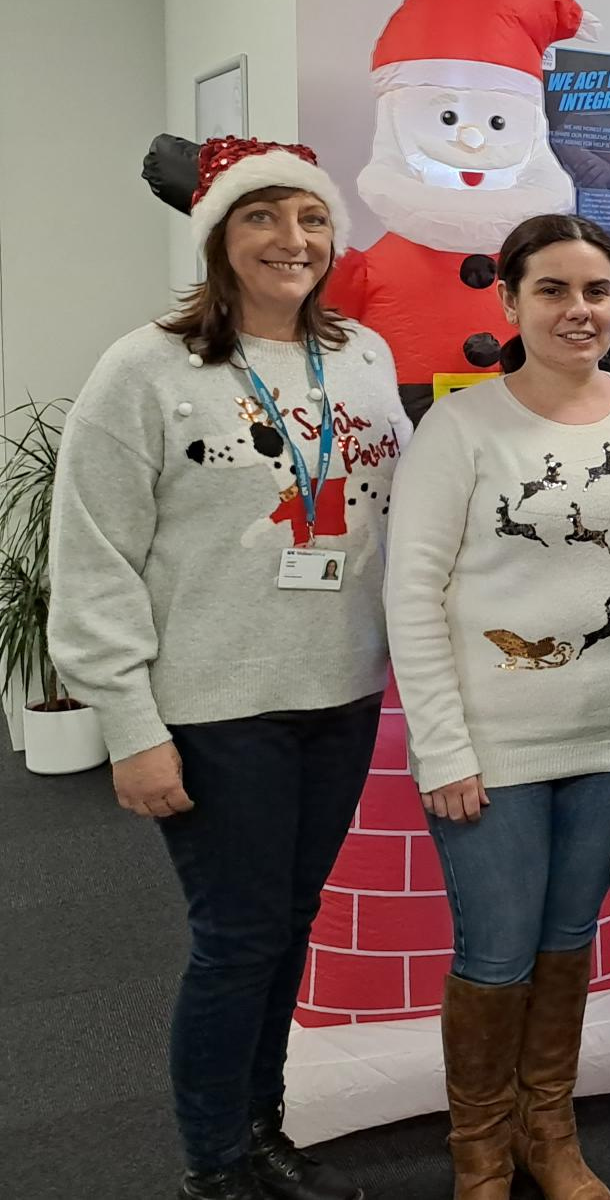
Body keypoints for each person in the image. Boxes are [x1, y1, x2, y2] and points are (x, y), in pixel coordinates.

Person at [48, 136, 407, 1200]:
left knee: (287, 926)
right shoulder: (148, 368)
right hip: (213, 705)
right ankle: (214, 1162)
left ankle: (261, 1131)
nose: (288, 241)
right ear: (217, 236)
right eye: (261, 218)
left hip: (338, 692)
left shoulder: (364, 356)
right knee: (236, 939)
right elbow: (94, 552)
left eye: (307, 219)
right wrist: (131, 724)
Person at [384, 212, 610, 1200]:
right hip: (491, 744)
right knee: (496, 952)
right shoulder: (460, 429)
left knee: (570, 944)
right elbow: (414, 594)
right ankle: (479, 1157)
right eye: (553, 291)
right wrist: (441, 748)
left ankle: (549, 1135)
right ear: (510, 302)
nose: (579, 311)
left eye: (595, 291)